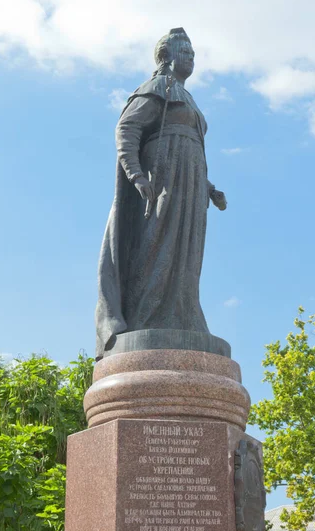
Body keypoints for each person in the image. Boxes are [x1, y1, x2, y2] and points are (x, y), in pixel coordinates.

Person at [95, 28, 227, 359]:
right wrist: (136, 174)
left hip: (191, 187)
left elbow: (193, 149)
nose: (192, 57)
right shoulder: (157, 87)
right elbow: (128, 128)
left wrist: (209, 189)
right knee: (156, 247)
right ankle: (143, 320)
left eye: (194, 52)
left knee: (186, 256)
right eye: (185, 51)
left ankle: (184, 318)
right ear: (166, 56)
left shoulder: (188, 97)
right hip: (163, 181)